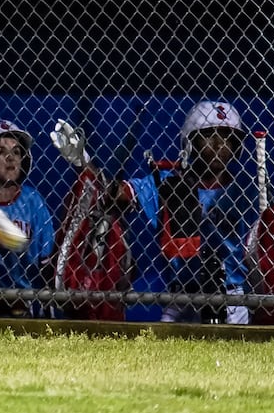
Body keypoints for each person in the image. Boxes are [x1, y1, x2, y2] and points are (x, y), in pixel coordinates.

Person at [52, 101, 254, 323]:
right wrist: (85, 162)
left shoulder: (246, 191)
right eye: (209, 136)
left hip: (231, 294)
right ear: (190, 142)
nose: (218, 144)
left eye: (227, 137)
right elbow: (116, 193)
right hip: (181, 295)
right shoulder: (167, 184)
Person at [0, 121, 57, 316]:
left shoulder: (32, 201)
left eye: (16, 152)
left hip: (24, 302)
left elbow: (47, 261)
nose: (10, 158)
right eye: (0, 151)